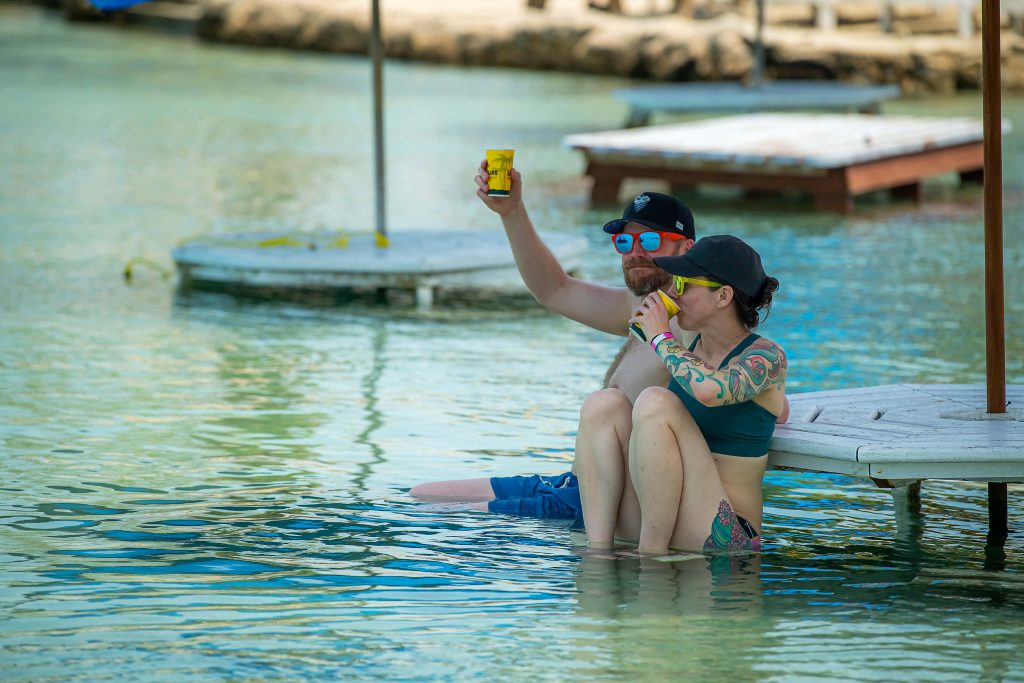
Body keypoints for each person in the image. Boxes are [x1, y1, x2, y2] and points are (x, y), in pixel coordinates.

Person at [409, 163, 788, 517]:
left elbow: (751, 388)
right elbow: (555, 290)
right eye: (624, 242)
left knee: (439, 517)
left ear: (687, 250)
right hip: (577, 482)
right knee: (423, 494)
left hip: (615, 498)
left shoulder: (692, 320)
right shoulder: (642, 307)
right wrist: (512, 212)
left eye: (650, 240)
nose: (635, 252)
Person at [576, 235, 786, 555]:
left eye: (683, 283)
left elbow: (710, 391)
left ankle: (650, 562)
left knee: (655, 402)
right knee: (603, 404)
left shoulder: (767, 357)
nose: (673, 293)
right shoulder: (690, 346)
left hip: (725, 535)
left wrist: (661, 337)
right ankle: (598, 556)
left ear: (723, 295)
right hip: (661, 517)